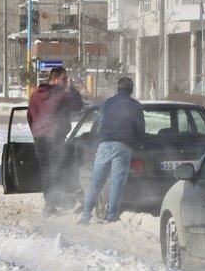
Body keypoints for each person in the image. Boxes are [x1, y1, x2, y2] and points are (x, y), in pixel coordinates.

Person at [79, 76, 145, 224]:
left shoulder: (107, 103)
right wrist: (139, 144)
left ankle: (85, 215)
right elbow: (140, 128)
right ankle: (112, 214)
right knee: (117, 181)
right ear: (131, 90)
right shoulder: (135, 106)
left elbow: (101, 123)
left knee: (96, 181)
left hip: (104, 145)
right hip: (122, 146)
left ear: (118, 88)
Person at [26, 65, 84, 215]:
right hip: (55, 138)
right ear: (55, 79)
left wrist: (36, 133)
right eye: (64, 79)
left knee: (46, 172)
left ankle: (50, 205)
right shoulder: (61, 95)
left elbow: (29, 115)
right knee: (57, 171)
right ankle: (54, 204)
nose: (66, 81)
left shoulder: (35, 94)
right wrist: (73, 89)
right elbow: (78, 106)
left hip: (40, 139)